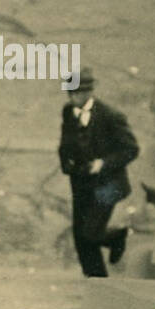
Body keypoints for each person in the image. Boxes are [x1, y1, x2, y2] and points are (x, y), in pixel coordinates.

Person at [58, 67, 139, 277]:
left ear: (89, 93)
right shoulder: (68, 112)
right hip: (80, 182)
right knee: (80, 238)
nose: (73, 98)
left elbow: (131, 149)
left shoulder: (110, 116)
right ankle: (96, 281)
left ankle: (117, 237)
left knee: (91, 233)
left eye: (77, 93)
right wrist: (67, 163)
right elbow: (66, 142)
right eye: (70, 93)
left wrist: (103, 163)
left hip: (108, 185)